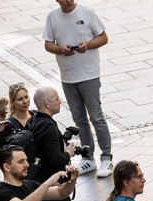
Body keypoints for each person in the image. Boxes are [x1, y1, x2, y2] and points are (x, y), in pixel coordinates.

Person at [42, 0, 112, 177]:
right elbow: (48, 43)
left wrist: (87, 44)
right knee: (80, 119)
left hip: (89, 74)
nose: (68, 1)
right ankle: (88, 157)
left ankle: (107, 157)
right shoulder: (52, 17)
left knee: (96, 117)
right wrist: (60, 49)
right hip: (68, 76)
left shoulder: (87, 12)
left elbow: (103, 37)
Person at [30, 87, 79, 201]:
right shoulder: (48, 126)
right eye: (57, 99)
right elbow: (56, 159)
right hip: (54, 186)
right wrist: (68, 153)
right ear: (47, 103)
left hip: (42, 184)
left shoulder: (34, 120)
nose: (60, 102)